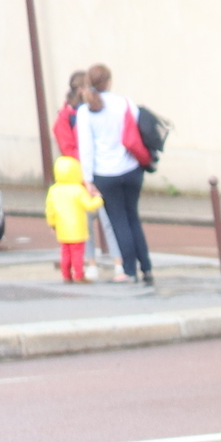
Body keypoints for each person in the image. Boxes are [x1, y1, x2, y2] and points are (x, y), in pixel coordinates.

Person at [74, 64, 152, 287]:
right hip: (131, 169)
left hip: (104, 174)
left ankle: (128, 271)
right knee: (133, 218)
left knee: (119, 221)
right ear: (109, 81)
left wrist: (87, 179)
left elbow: (86, 148)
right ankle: (146, 267)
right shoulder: (125, 102)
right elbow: (139, 129)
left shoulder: (85, 111)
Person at [44, 156, 103, 283]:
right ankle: (79, 275)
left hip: (61, 227)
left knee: (65, 252)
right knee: (77, 253)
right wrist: (98, 198)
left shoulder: (53, 190)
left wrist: (52, 224)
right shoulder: (78, 190)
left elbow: (50, 209)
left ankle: (66, 275)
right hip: (77, 228)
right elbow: (89, 206)